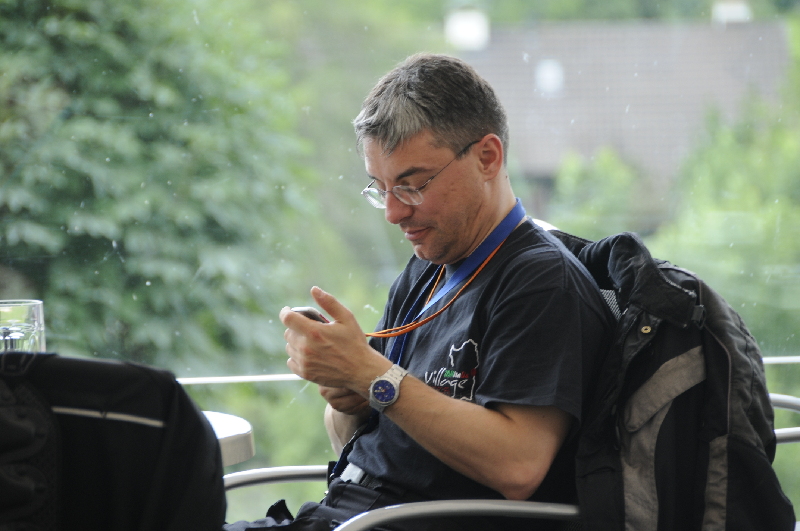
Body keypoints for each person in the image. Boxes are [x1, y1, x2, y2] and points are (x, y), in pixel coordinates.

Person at [225, 53, 614, 531]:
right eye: (380, 189)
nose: (393, 213)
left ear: (487, 158)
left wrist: (371, 375)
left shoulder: (541, 283)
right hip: (345, 514)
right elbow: (359, 443)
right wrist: (350, 393)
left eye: (411, 186)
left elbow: (519, 465)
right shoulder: (425, 271)